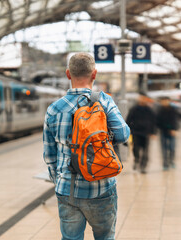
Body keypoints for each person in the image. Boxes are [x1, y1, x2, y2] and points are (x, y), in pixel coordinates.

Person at [43, 53, 130, 240]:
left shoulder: (54, 109)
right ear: (94, 74)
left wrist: (59, 180)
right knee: (105, 237)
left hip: (66, 189)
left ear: (68, 74)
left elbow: (49, 155)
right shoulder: (104, 102)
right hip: (101, 186)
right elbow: (123, 135)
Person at [126, 92, 156, 174]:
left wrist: (153, 132)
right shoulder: (134, 109)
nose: (142, 100)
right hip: (136, 132)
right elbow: (128, 120)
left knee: (145, 150)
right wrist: (128, 131)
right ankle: (136, 160)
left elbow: (153, 121)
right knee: (136, 148)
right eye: (141, 98)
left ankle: (143, 166)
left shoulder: (149, 110)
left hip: (146, 133)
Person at [156, 97, 179, 170]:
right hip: (163, 131)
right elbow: (157, 121)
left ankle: (171, 161)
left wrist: (174, 129)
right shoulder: (159, 111)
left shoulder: (173, 110)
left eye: (166, 101)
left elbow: (176, 120)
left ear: (169, 101)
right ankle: (165, 163)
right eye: (162, 101)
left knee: (172, 147)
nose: (164, 102)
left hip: (172, 131)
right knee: (164, 148)